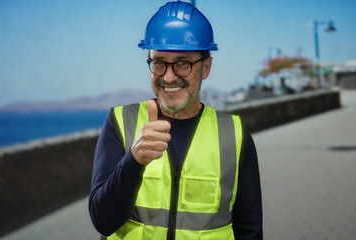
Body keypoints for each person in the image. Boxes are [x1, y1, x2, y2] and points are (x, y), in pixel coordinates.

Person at [89, 1, 262, 239]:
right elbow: (102, 221)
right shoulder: (120, 122)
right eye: (159, 62)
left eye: (183, 63)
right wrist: (133, 161)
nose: (169, 77)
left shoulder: (234, 133)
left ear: (206, 67)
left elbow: (250, 230)